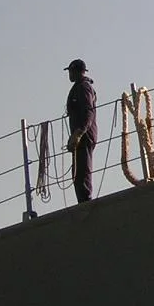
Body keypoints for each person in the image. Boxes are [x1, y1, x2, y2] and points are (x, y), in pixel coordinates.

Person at [64, 58, 97, 203]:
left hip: (84, 135)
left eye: (70, 71)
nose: (69, 75)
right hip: (80, 134)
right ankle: (82, 200)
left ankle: (85, 200)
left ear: (76, 71)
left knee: (82, 169)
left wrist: (78, 133)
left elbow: (88, 112)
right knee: (77, 171)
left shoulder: (83, 87)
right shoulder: (79, 86)